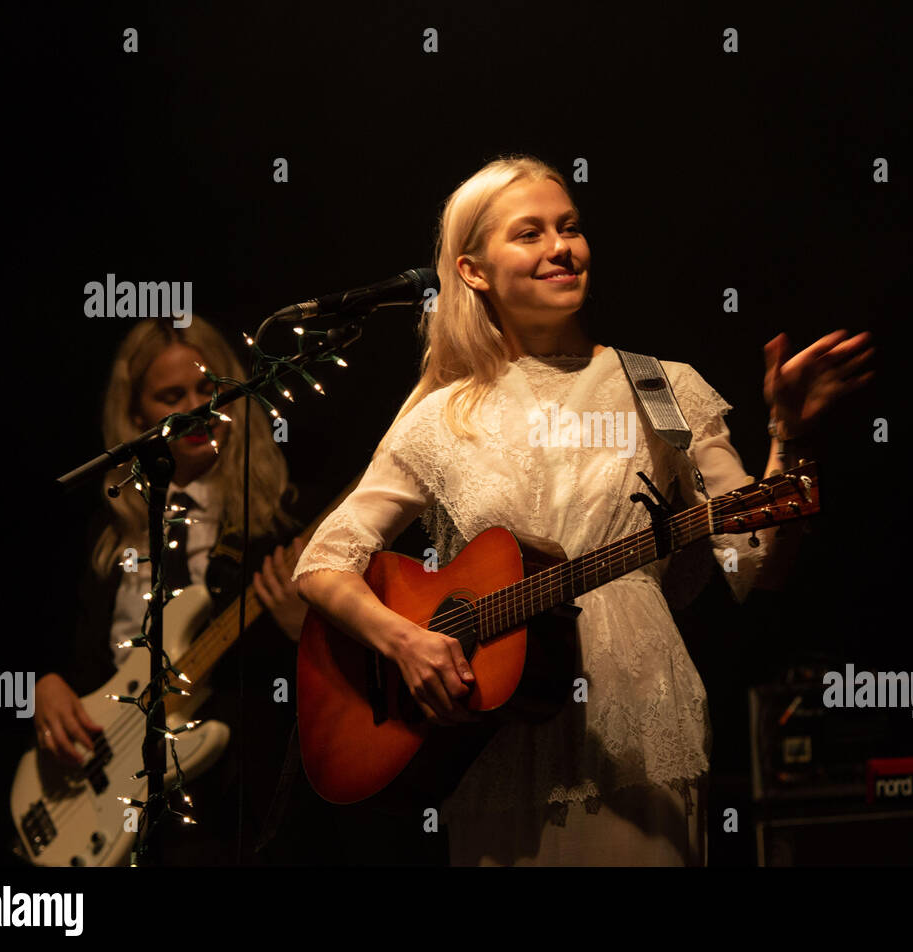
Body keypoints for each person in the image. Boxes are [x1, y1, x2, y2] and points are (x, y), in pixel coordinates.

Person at [292, 154, 874, 866]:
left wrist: (788, 435)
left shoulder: (662, 389)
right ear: (472, 270)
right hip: (492, 735)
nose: (560, 247)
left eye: (568, 228)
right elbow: (323, 562)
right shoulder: (441, 415)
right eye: (529, 233)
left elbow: (759, 567)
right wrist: (404, 641)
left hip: (634, 720)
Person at [33, 315, 312, 865]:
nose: (196, 406)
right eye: (170, 395)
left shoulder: (278, 525)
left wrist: (305, 631)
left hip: (224, 810)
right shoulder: (106, 533)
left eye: (208, 388)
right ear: (135, 413)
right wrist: (44, 684)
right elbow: (64, 645)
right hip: (101, 790)